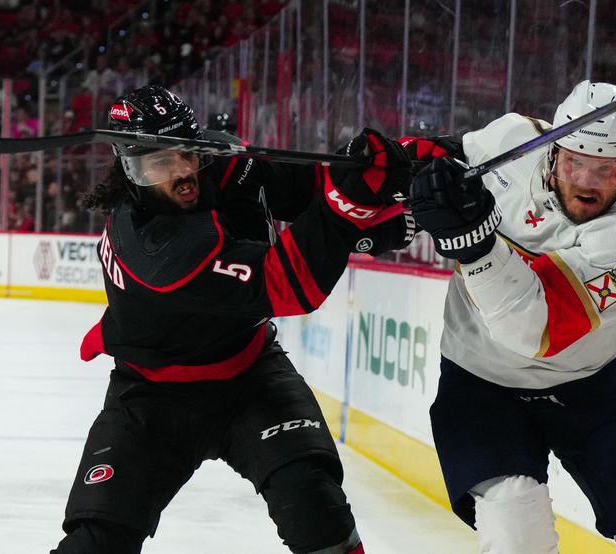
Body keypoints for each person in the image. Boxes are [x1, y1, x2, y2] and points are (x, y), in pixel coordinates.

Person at [51, 85, 416, 554]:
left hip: (250, 371)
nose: (183, 171)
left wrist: (378, 170)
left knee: (316, 509)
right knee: (96, 542)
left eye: (188, 152)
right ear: (129, 166)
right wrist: (355, 212)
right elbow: (289, 285)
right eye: (160, 162)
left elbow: (312, 187)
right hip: (153, 397)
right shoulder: (153, 247)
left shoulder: (224, 166)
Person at [407, 80, 616, 553]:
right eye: (574, 163)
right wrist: (392, 162)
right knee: (513, 527)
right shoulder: (513, 140)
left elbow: (532, 329)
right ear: (551, 152)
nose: (586, 182)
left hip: (589, 387)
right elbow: (435, 157)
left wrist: (475, 244)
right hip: (480, 383)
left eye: (605, 171)